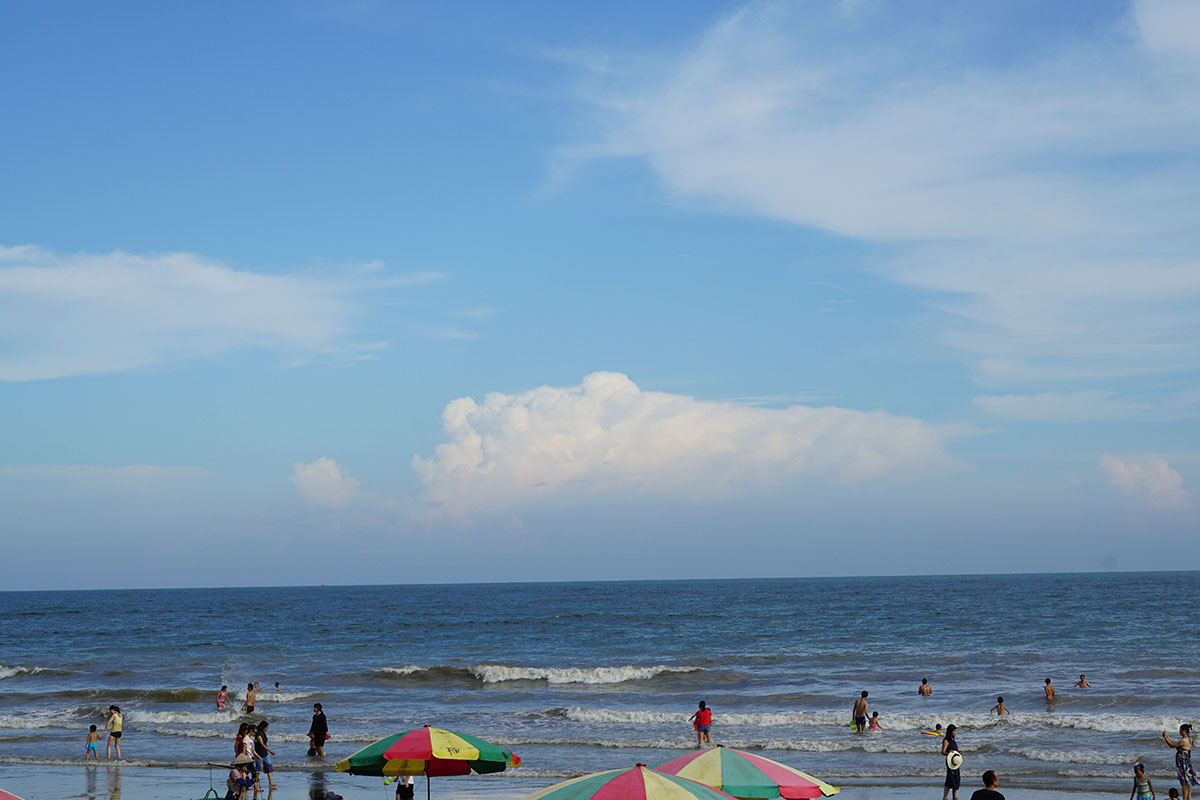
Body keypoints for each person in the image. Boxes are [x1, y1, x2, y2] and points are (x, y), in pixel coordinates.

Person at [1163, 724, 1198, 800]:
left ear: (1184, 731)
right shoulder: (1189, 739)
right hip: (1187, 761)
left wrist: (1165, 737)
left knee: (1184, 782)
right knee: (1187, 782)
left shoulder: (1183, 740)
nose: (1179, 731)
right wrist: (1167, 737)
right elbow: (1174, 744)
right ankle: (1188, 798)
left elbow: (1172, 745)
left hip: (1183, 762)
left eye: (1180, 730)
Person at [941, 724, 961, 800]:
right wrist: (948, 753)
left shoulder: (953, 740)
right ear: (950, 731)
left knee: (956, 778)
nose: (955, 732)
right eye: (954, 731)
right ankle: (945, 796)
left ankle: (954, 796)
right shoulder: (946, 741)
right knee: (950, 778)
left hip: (955, 761)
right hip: (950, 761)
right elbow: (943, 752)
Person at [255, 720, 277, 788]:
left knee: (269, 766)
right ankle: (255, 783)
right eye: (266, 727)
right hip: (259, 754)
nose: (267, 729)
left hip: (265, 753)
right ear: (263, 727)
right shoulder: (258, 734)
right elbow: (262, 744)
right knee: (258, 768)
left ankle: (271, 782)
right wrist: (270, 751)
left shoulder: (263, 733)